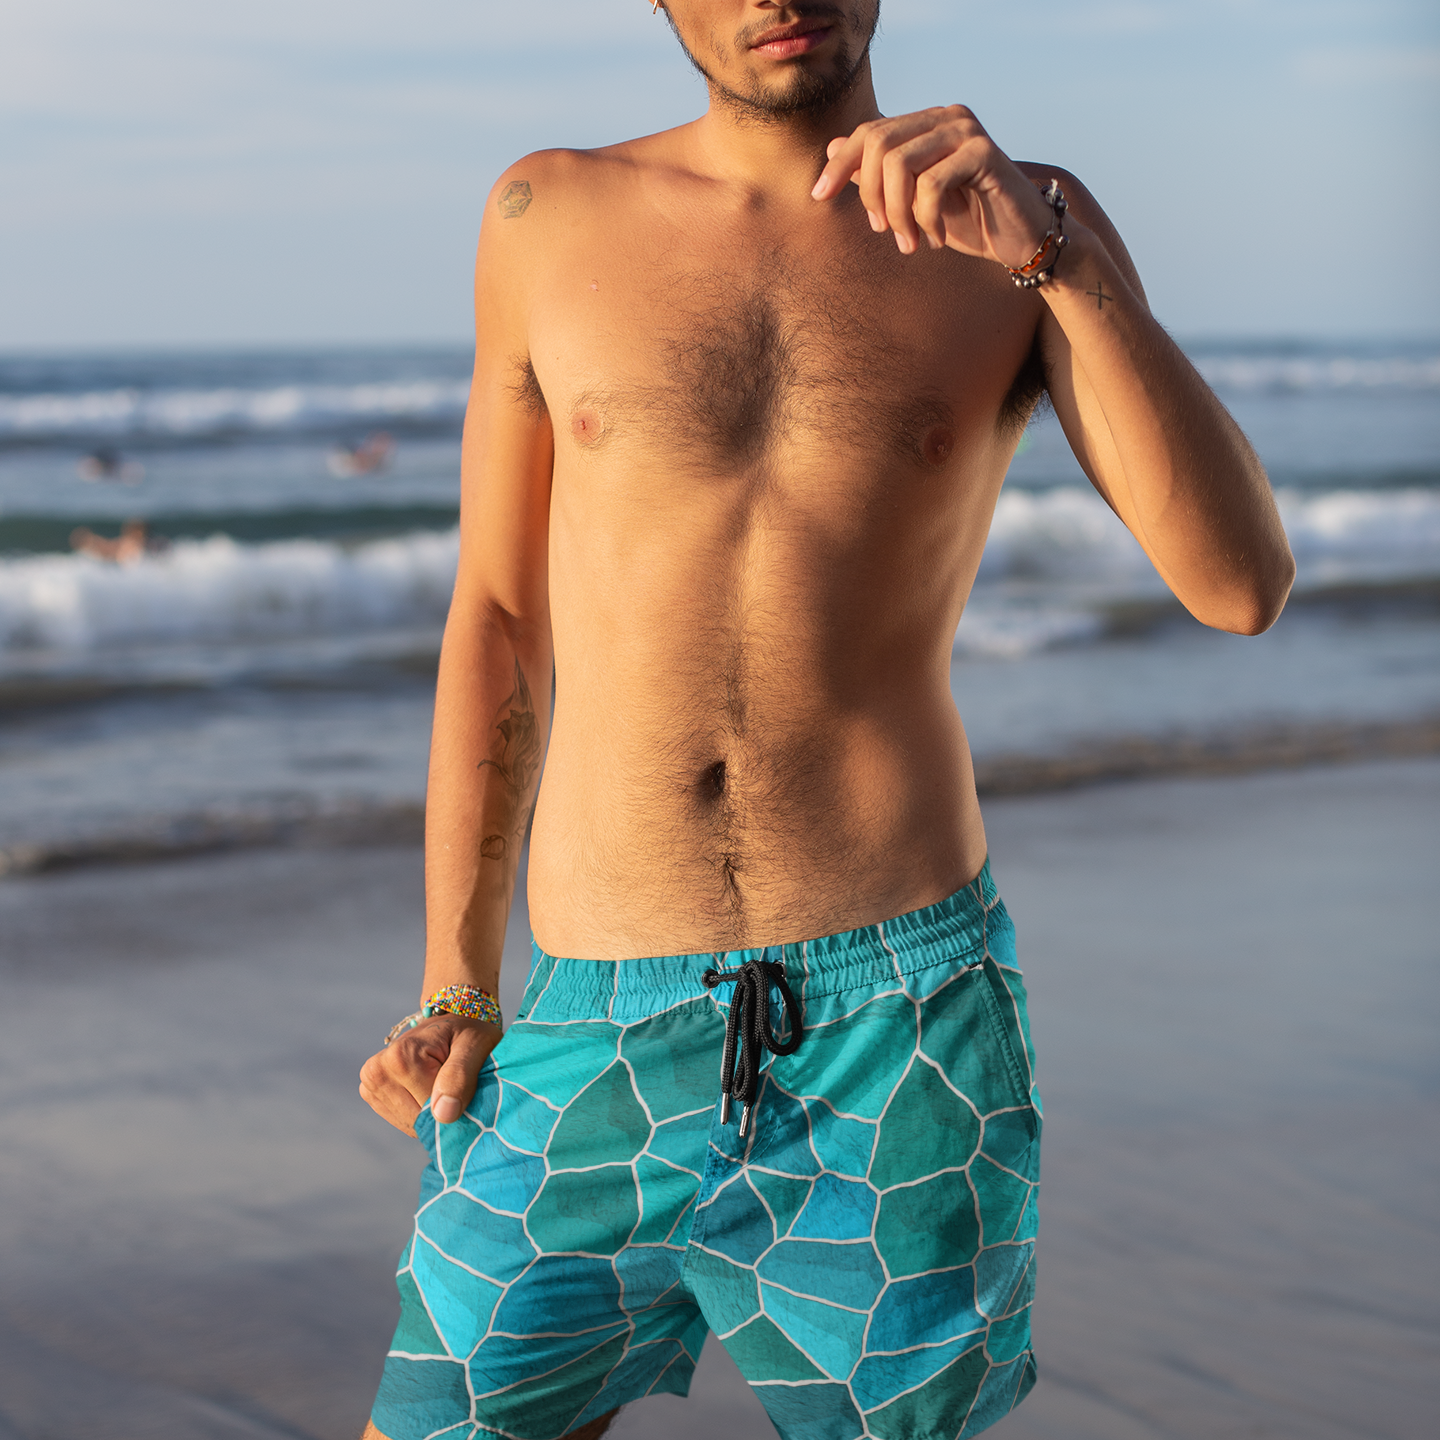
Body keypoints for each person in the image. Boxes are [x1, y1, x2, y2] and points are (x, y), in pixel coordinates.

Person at [357, 4, 1295, 1438]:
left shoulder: (1019, 227)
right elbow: (496, 618)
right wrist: (456, 980)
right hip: (592, 1027)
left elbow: (1237, 582)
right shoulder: (547, 213)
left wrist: (1058, 259)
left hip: (898, 1024)